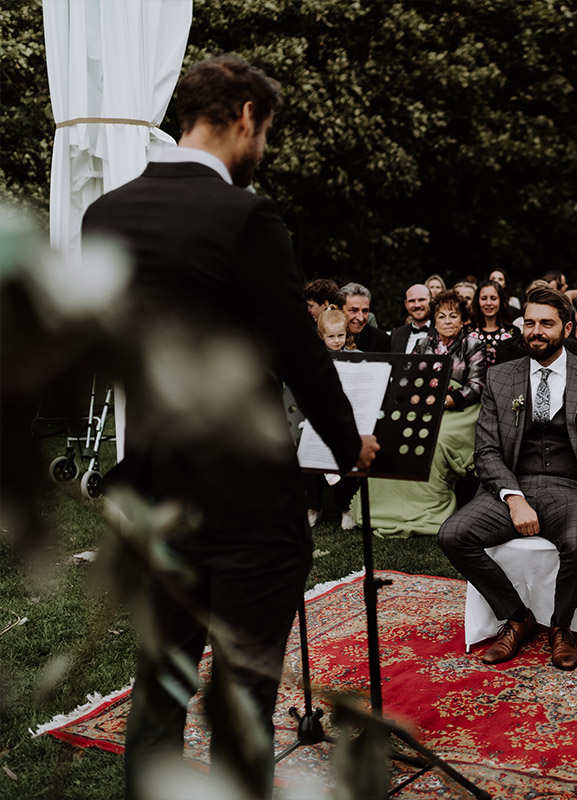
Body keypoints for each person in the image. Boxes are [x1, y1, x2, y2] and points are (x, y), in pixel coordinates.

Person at [80, 54, 379, 799]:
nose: (264, 148)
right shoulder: (247, 216)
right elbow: (301, 353)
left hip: (152, 485)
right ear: (245, 117)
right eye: (266, 132)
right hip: (247, 499)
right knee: (244, 697)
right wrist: (351, 445)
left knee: (158, 685)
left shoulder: (104, 215)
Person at [438, 287, 577, 671]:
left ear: (568, 328)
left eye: (546, 323)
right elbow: (487, 451)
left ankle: (561, 624)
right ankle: (516, 615)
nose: (536, 331)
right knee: (453, 535)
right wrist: (513, 497)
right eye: (529, 322)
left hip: (575, 488)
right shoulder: (500, 377)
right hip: (513, 485)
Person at [366, 293, 486, 536]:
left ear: (463, 320)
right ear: (434, 321)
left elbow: (477, 386)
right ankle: (390, 509)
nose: (448, 321)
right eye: (441, 316)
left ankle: (433, 509)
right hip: (424, 405)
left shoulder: (473, 345)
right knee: (392, 433)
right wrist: (416, 398)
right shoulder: (423, 346)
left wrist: (444, 401)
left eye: (454, 316)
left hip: (461, 410)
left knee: (436, 439)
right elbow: (409, 380)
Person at [306, 307, 361, 530]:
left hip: (350, 418)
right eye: (331, 336)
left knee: (345, 453)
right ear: (321, 336)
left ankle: (346, 507)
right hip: (319, 418)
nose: (337, 340)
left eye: (341, 335)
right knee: (309, 451)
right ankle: (313, 506)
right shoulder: (315, 359)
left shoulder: (356, 357)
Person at [468, 279, 519, 369]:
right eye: (484, 299)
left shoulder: (513, 332)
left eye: (493, 298)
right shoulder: (467, 331)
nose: (488, 303)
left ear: (501, 300)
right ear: (477, 301)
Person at [339, 282, 389, 352]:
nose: (361, 318)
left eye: (365, 311)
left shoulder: (381, 340)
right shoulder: (323, 337)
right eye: (354, 310)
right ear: (339, 310)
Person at [389, 283, 432, 355]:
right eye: (412, 301)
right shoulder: (396, 335)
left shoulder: (442, 333)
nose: (417, 305)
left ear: (431, 301)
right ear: (406, 304)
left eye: (421, 300)